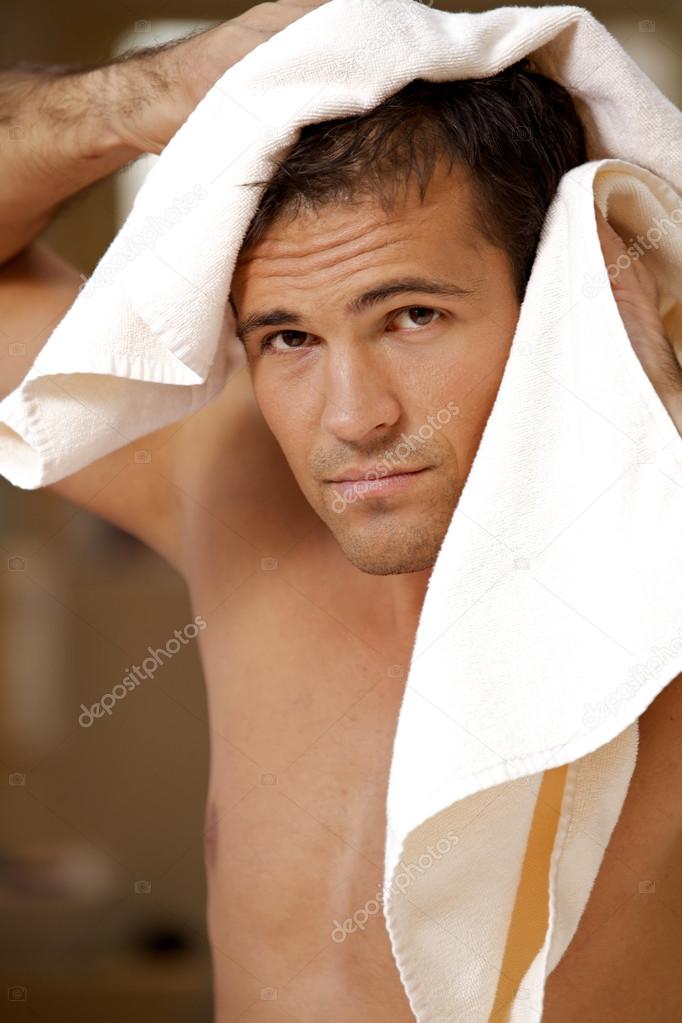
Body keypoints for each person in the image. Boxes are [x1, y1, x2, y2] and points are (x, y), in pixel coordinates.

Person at [1, 2, 681, 1019]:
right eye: (288, 337)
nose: (352, 421)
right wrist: (142, 95)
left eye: (412, 316)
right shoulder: (225, 477)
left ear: (560, 302)